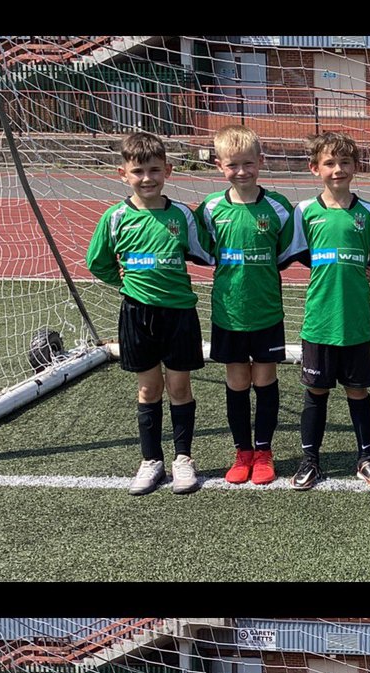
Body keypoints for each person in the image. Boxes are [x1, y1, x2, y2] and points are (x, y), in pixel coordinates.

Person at [85, 131, 213, 496]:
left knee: (179, 386)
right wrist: (122, 280)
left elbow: (203, 251)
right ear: (122, 174)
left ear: (168, 170)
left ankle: (183, 459)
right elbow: (98, 261)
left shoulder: (182, 215)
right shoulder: (115, 217)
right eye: (138, 171)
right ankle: (151, 460)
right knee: (148, 387)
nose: (147, 178)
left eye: (154, 170)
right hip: (137, 313)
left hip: (179, 313)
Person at [284, 132, 370, 489]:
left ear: (355, 166)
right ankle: (310, 461)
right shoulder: (305, 211)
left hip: (354, 322)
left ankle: (365, 459)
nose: (338, 169)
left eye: (345, 162)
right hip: (319, 320)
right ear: (314, 168)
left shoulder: (368, 212)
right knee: (316, 392)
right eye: (330, 163)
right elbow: (289, 251)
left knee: (357, 391)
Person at [196, 124, 297, 487]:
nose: (241, 171)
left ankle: (264, 451)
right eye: (233, 165)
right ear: (219, 165)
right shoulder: (209, 209)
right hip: (228, 311)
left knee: (265, 378)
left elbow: (284, 254)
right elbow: (203, 250)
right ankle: (242, 453)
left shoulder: (279, 208)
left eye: (248, 163)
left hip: (266, 310)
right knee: (237, 380)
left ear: (261, 162)